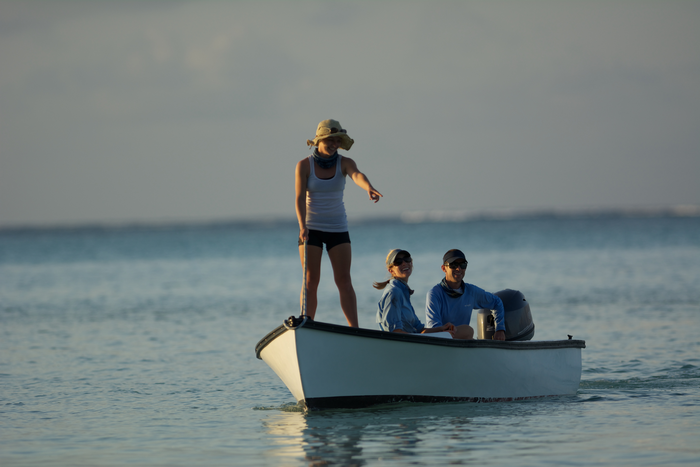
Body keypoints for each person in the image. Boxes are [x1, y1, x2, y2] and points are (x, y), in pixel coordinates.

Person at [295, 119, 382, 327]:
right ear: (319, 141)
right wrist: (302, 226)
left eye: (337, 141)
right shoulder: (304, 165)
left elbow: (357, 175)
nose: (334, 144)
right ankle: (307, 324)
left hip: (337, 228)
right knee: (310, 280)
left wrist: (368, 187)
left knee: (343, 280)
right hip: (311, 228)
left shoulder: (345, 162)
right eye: (330, 141)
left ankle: (354, 329)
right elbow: (299, 197)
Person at [374, 249, 466, 336]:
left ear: (411, 263)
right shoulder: (394, 292)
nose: (404, 263)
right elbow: (394, 333)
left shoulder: (403, 292)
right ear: (391, 270)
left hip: (410, 345)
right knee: (468, 331)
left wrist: (442, 329)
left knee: (467, 331)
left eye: (407, 259)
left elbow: (420, 330)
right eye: (398, 262)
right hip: (401, 348)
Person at [425, 249, 506, 340]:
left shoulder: (471, 291)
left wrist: (500, 329)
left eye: (462, 265)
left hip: (462, 344)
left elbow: (497, 302)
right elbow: (434, 329)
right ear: (444, 268)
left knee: (468, 331)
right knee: (468, 331)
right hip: (442, 342)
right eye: (453, 265)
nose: (458, 269)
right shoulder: (434, 294)